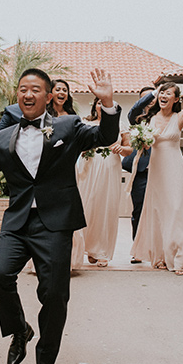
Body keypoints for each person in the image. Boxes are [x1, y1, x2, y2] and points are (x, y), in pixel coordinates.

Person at [0, 68, 120, 364]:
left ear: (49, 95)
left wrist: (107, 103)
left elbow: (104, 137)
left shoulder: (67, 126)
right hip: (18, 221)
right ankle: (19, 329)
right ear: (17, 94)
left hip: (55, 222)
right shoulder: (3, 137)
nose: (28, 94)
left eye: (36, 89)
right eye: (23, 89)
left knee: (53, 295)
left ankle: (44, 362)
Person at [130, 82, 183, 275]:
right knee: (158, 210)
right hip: (156, 171)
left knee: (179, 209)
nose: (163, 95)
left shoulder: (180, 117)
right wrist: (142, 143)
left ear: (176, 99)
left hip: (175, 169)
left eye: (168, 93)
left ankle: (181, 259)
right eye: (162, 92)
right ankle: (160, 256)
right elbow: (133, 112)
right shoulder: (149, 118)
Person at [72, 97, 123, 268]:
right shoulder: (86, 123)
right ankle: (88, 248)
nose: (102, 105)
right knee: (87, 206)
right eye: (99, 103)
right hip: (89, 167)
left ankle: (102, 251)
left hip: (110, 166)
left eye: (107, 103)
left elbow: (130, 148)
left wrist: (122, 149)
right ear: (95, 106)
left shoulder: (119, 125)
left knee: (106, 207)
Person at [121, 86, 155, 246]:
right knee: (139, 210)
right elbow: (134, 109)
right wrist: (153, 93)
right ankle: (138, 246)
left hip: (161, 170)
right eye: (145, 98)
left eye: (152, 97)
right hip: (141, 171)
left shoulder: (166, 116)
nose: (150, 100)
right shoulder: (137, 119)